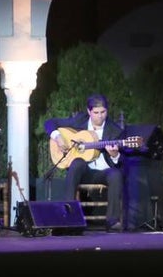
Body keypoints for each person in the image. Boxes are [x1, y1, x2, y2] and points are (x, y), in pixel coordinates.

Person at [45, 93, 125, 231]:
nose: (100, 116)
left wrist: (115, 155)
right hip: (84, 171)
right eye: (96, 112)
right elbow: (49, 123)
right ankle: (68, 215)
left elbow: (120, 162)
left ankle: (112, 221)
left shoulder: (115, 131)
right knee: (77, 162)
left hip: (103, 172)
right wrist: (58, 137)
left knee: (116, 175)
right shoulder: (79, 121)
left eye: (103, 112)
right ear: (89, 111)